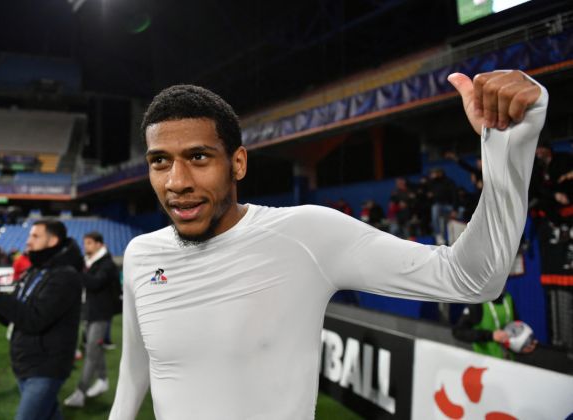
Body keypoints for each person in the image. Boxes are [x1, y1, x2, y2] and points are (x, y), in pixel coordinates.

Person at [110, 70, 548, 420]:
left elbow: (472, 279)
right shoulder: (141, 255)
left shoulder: (306, 235)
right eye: (160, 162)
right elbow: (135, 371)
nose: (177, 182)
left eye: (199, 157)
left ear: (237, 163)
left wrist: (509, 152)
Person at [0, 219, 83, 420]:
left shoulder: (65, 276)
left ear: (53, 240)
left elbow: (34, 320)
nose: (28, 241)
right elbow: (14, 318)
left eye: (35, 236)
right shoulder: (34, 271)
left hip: (45, 367)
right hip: (26, 364)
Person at [64, 231, 120, 407]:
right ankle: (103, 380)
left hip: (100, 313)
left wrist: (77, 270)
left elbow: (95, 283)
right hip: (90, 311)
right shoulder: (91, 262)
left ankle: (80, 392)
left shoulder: (107, 264)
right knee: (94, 348)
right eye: (85, 243)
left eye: (88, 243)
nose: (85, 246)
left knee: (91, 352)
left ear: (98, 244)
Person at [452, 290, 536, 359]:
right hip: (486, 366)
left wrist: (523, 347)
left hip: (509, 365)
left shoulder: (508, 298)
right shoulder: (478, 303)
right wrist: (491, 336)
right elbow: (458, 332)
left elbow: (514, 333)